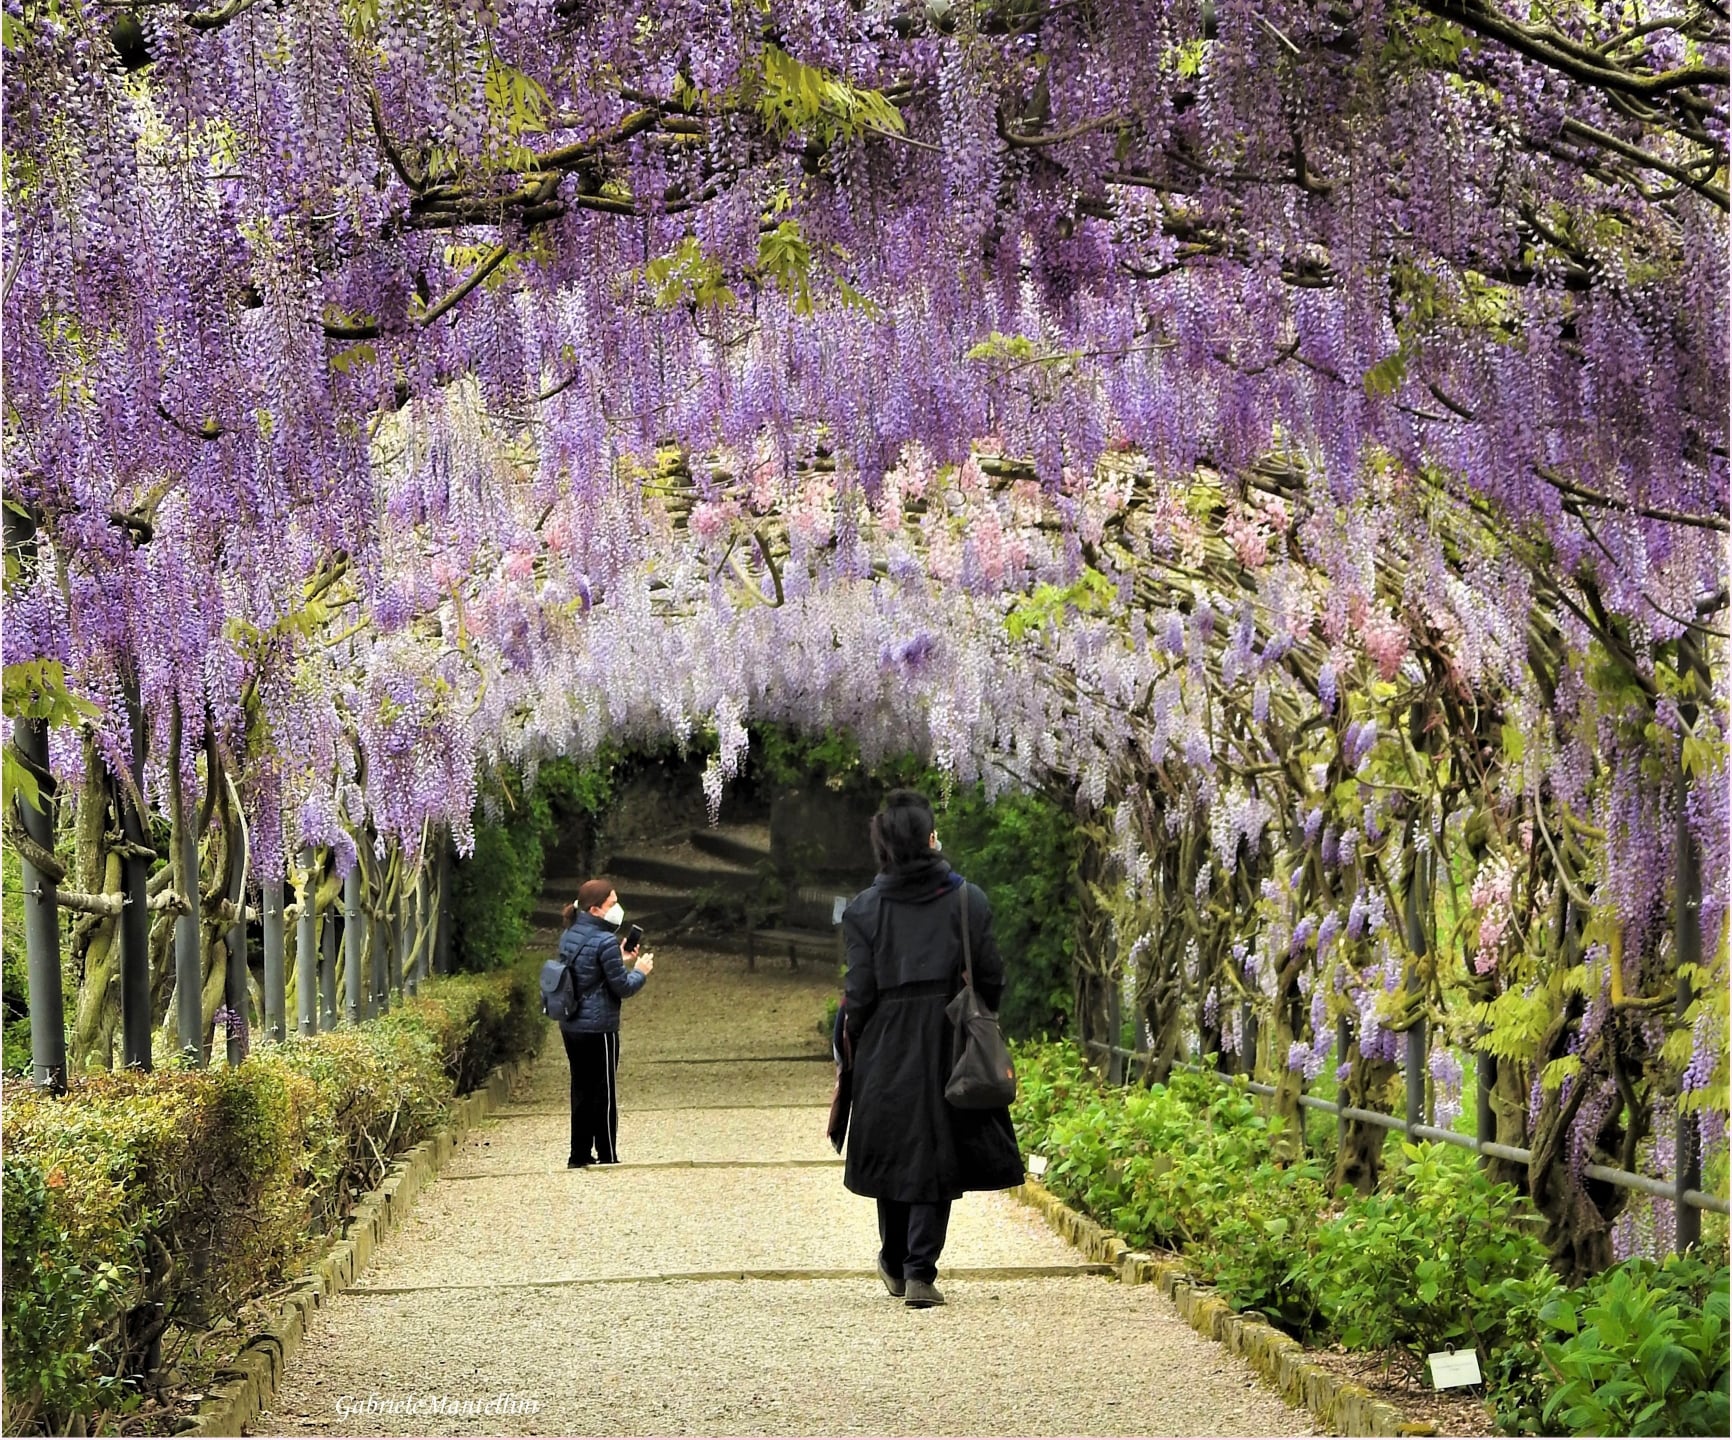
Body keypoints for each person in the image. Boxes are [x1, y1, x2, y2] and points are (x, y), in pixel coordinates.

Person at [839, 789, 1023, 1308]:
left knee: (895, 1149)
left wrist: (855, 1040)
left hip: (885, 1038)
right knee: (937, 1148)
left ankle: (895, 1262)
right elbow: (990, 975)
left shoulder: (864, 909)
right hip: (949, 1031)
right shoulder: (968, 899)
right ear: (930, 838)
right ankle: (920, 1270)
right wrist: (977, 1014)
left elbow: (859, 990)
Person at [557, 878, 653, 1168]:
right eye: (612, 903)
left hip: (572, 1025)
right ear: (596, 909)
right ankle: (608, 1153)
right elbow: (622, 987)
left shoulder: (570, 934)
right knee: (604, 1090)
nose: (617, 908)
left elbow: (590, 972)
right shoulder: (605, 940)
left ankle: (579, 1154)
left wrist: (618, 958)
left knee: (582, 1089)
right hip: (599, 1027)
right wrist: (641, 971)